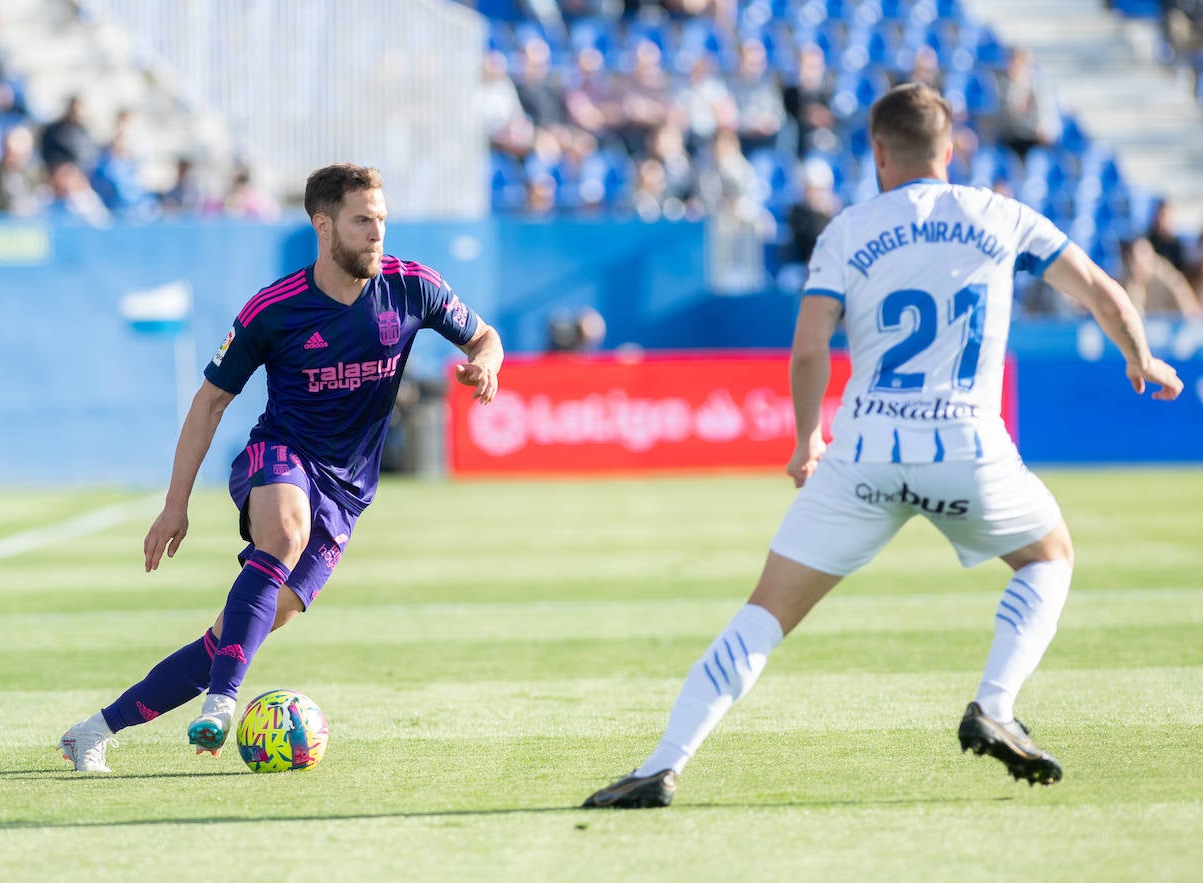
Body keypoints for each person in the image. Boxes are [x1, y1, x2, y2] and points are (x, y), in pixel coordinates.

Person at [584, 83, 1183, 809]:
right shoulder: (1001, 213)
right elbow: (1100, 290)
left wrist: (808, 436)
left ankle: (663, 763)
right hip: (968, 445)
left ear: (876, 152)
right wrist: (1141, 356)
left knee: (766, 611)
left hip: (868, 447)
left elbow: (809, 348)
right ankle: (994, 703)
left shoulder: (849, 229)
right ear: (951, 148)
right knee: (1048, 558)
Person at [59, 164, 503, 772]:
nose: (377, 234)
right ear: (323, 226)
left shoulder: (413, 287)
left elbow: (485, 337)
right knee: (285, 536)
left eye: (381, 220)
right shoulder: (276, 308)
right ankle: (223, 701)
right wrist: (175, 504)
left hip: (348, 492)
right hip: (281, 454)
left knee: (232, 639)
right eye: (361, 221)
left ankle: (92, 731)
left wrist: (486, 364)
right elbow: (210, 401)